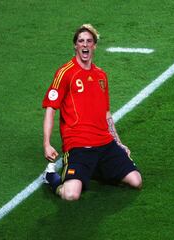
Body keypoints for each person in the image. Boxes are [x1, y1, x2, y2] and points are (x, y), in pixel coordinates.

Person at [41, 24, 142, 201]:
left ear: (94, 46)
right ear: (75, 45)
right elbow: (51, 109)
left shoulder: (101, 75)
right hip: (78, 145)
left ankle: (92, 169)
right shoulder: (65, 73)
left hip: (105, 143)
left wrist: (119, 143)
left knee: (136, 181)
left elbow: (107, 114)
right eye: (81, 41)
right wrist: (47, 143)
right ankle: (51, 178)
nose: (85, 45)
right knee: (71, 195)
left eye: (89, 41)